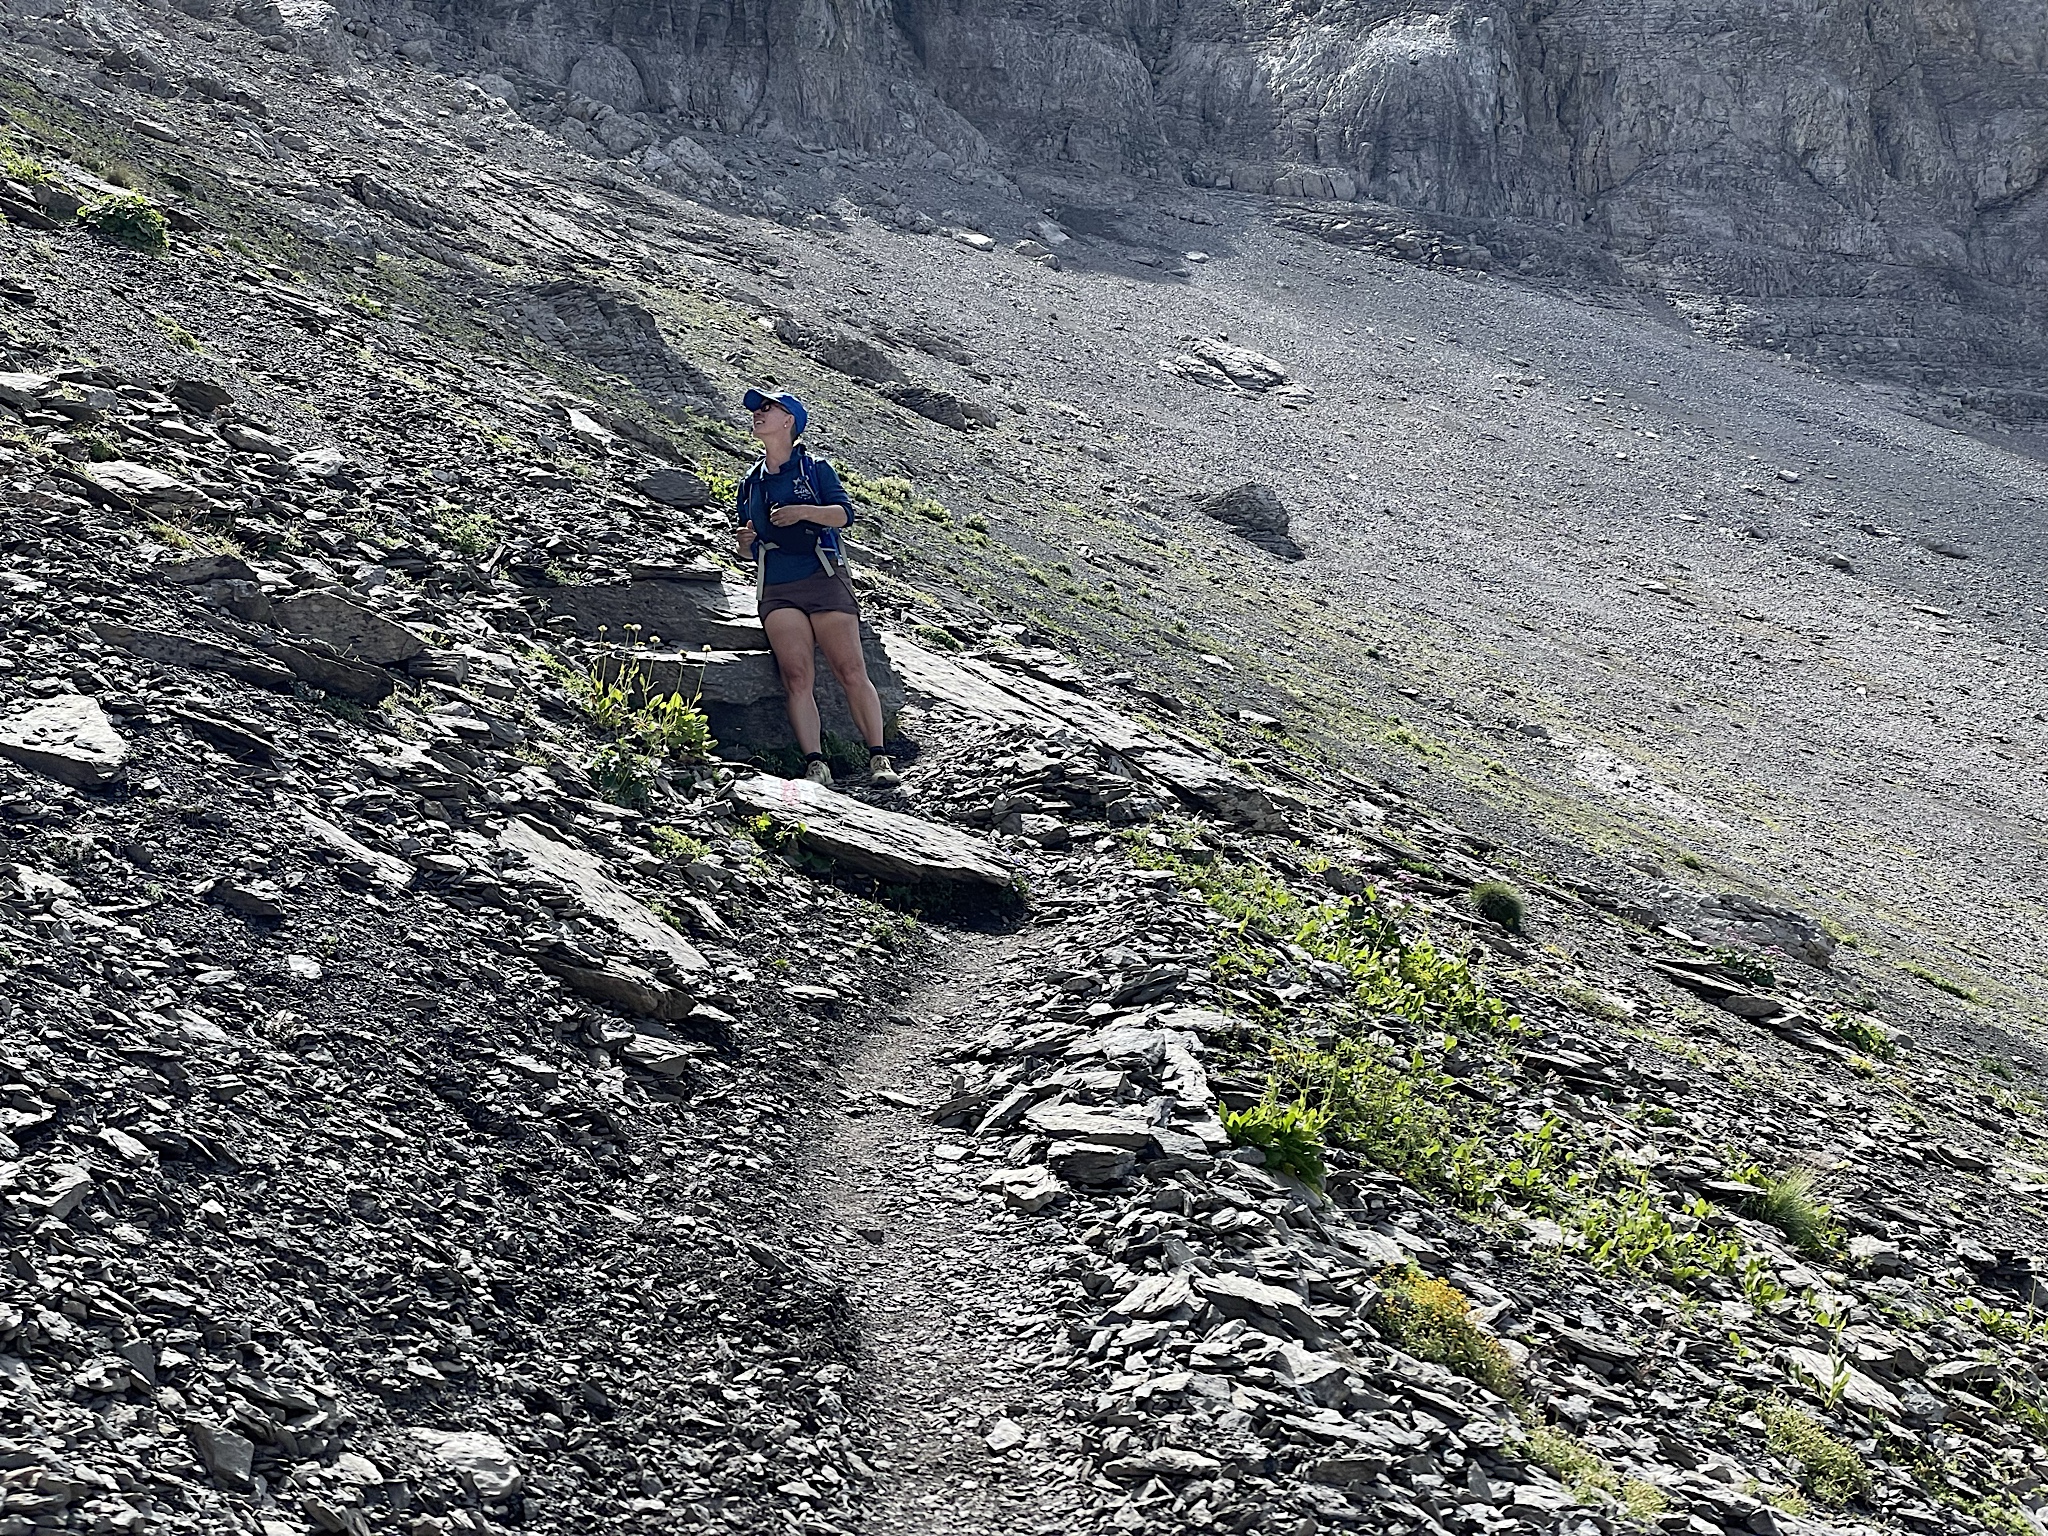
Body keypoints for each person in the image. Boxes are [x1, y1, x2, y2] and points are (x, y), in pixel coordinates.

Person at [732, 387, 899, 788]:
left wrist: (803, 512)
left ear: (789, 421)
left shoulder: (815, 469)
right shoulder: (750, 483)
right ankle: (815, 763)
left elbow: (844, 514)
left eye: (768, 408)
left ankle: (878, 758)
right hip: (777, 585)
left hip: (823, 578)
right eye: (758, 410)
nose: (759, 414)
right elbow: (746, 546)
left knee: (850, 669)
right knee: (795, 675)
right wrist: (743, 543)